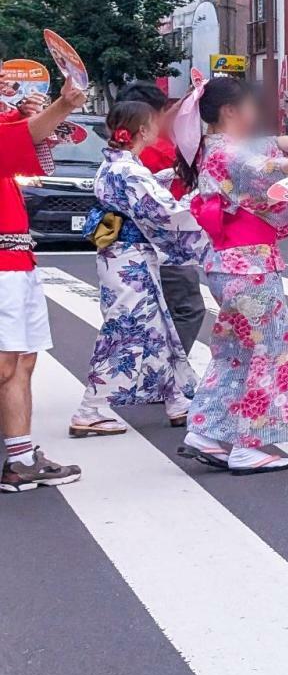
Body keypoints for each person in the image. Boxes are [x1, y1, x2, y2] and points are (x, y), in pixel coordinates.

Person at [179, 75, 288, 475]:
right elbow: (263, 165)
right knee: (268, 350)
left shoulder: (211, 148)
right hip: (248, 265)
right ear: (231, 111)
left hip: (227, 262)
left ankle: (206, 431)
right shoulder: (230, 154)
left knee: (235, 350)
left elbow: (267, 149)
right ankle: (249, 445)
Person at [70, 101, 208, 438]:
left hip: (122, 255)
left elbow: (142, 194)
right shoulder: (128, 171)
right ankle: (91, 408)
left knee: (158, 328)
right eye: (151, 125)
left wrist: (168, 177)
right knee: (127, 328)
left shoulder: (116, 165)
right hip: (128, 257)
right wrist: (198, 200)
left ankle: (177, 400)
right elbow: (163, 212)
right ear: (142, 130)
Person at [0, 83, 91, 492]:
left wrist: (24, 110)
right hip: (4, 261)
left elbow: (37, 157)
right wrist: (62, 104)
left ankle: (20, 459)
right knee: (5, 363)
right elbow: (25, 139)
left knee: (21, 362)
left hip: (18, 258)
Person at [123, 82, 206, 351]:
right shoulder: (159, 151)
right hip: (164, 247)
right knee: (186, 308)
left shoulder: (123, 155)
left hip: (126, 250)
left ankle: (153, 375)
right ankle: (168, 373)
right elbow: (177, 203)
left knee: (143, 315)